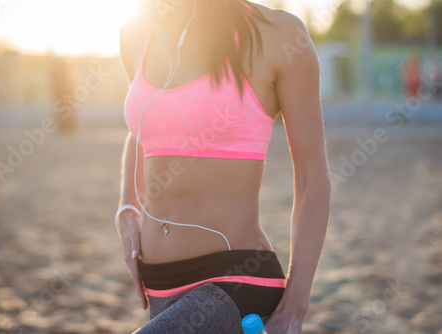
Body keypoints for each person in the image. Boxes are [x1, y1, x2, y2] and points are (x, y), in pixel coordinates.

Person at [116, 1, 330, 333]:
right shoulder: (135, 33)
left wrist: (294, 309)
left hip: (235, 283)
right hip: (158, 288)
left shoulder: (277, 35)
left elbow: (311, 179)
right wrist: (127, 206)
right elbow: (147, 126)